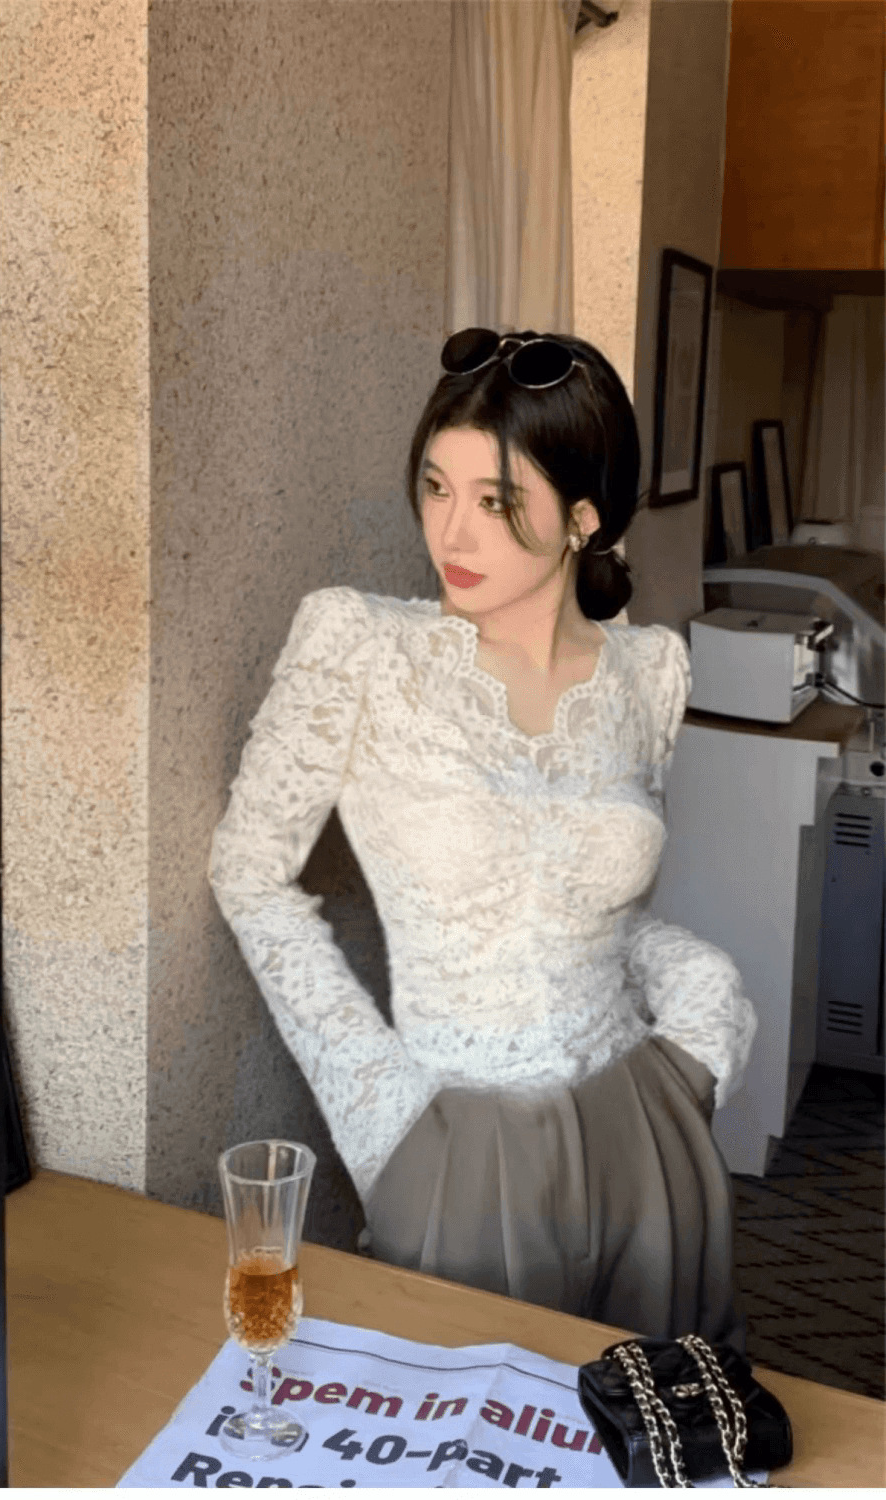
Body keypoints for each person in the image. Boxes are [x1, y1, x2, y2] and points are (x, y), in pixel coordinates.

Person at [209, 328, 757, 1347]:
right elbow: (249, 875)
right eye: (435, 487)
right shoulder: (363, 647)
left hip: (643, 1129)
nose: (451, 532)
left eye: (496, 502)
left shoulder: (648, 674)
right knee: (468, 1417)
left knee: (650, 1417)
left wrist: (703, 1010)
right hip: (457, 1146)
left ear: (583, 518)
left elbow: (600, 907)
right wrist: (383, 1111)